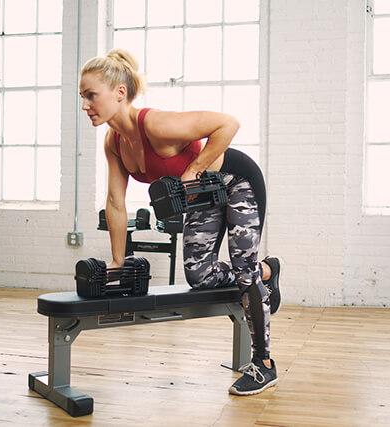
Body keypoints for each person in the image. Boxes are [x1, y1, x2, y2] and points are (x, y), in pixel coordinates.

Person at [79, 48, 282, 396]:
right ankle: (267, 272)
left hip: (236, 181)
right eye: (83, 97)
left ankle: (263, 364)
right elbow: (115, 202)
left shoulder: (155, 124)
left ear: (120, 93)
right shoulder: (114, 142)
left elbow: (227, 123)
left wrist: (193, 169)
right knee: (198, 275)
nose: (86, 105)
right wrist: (117, 260)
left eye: (91, 95)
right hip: (203, 196)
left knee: (242, 269)